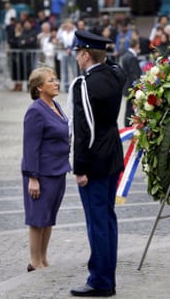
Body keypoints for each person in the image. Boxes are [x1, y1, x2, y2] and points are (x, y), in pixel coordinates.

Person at [68, 30, 126, 297]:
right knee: (108, 219)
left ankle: (101, 280)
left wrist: (79, 168)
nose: (77, 58)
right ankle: (106, 276)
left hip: (95, 162)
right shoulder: (115, 75)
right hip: (113, 156)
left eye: (79, 53)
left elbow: (83, 130)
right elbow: (113, 64)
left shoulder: (83, 85)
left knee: (97, 223)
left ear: (86, 54)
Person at [21, 66, 71, 272]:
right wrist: (33, 177)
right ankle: (34, 261)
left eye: (56, 79)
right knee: (37, 217)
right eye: (51, 80)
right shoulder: (35, 110)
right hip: (41, 173)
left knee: (49, 216)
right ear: (40, 87)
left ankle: (43, 257)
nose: (56, 83)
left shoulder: (55, 105)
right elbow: (30, 147)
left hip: (58, 170)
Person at [120, 37, 142, 127]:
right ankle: (128, 126)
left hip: (127, 85)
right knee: (130, 108)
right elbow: (134, 74)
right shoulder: (131, 57)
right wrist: (138, 86)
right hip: (131, 86)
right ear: (137, 45)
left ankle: (128, 125)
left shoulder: (126, 55)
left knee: (129, 107)